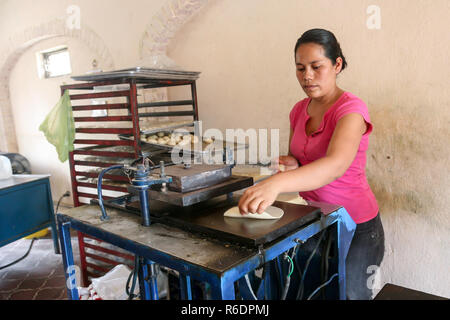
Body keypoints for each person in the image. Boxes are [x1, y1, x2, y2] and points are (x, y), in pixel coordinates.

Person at [238, 28, 385, 300]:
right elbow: (307, 158)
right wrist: (294, 163)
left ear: (337, 64)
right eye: (300, 68)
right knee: (312, 292)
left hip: (356, 226)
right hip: (317, 221)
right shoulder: (298, 110)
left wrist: (276, 184)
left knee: (350, 295)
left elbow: (334, 165)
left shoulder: (351, 110)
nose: (307, 76)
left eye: (316, 67)